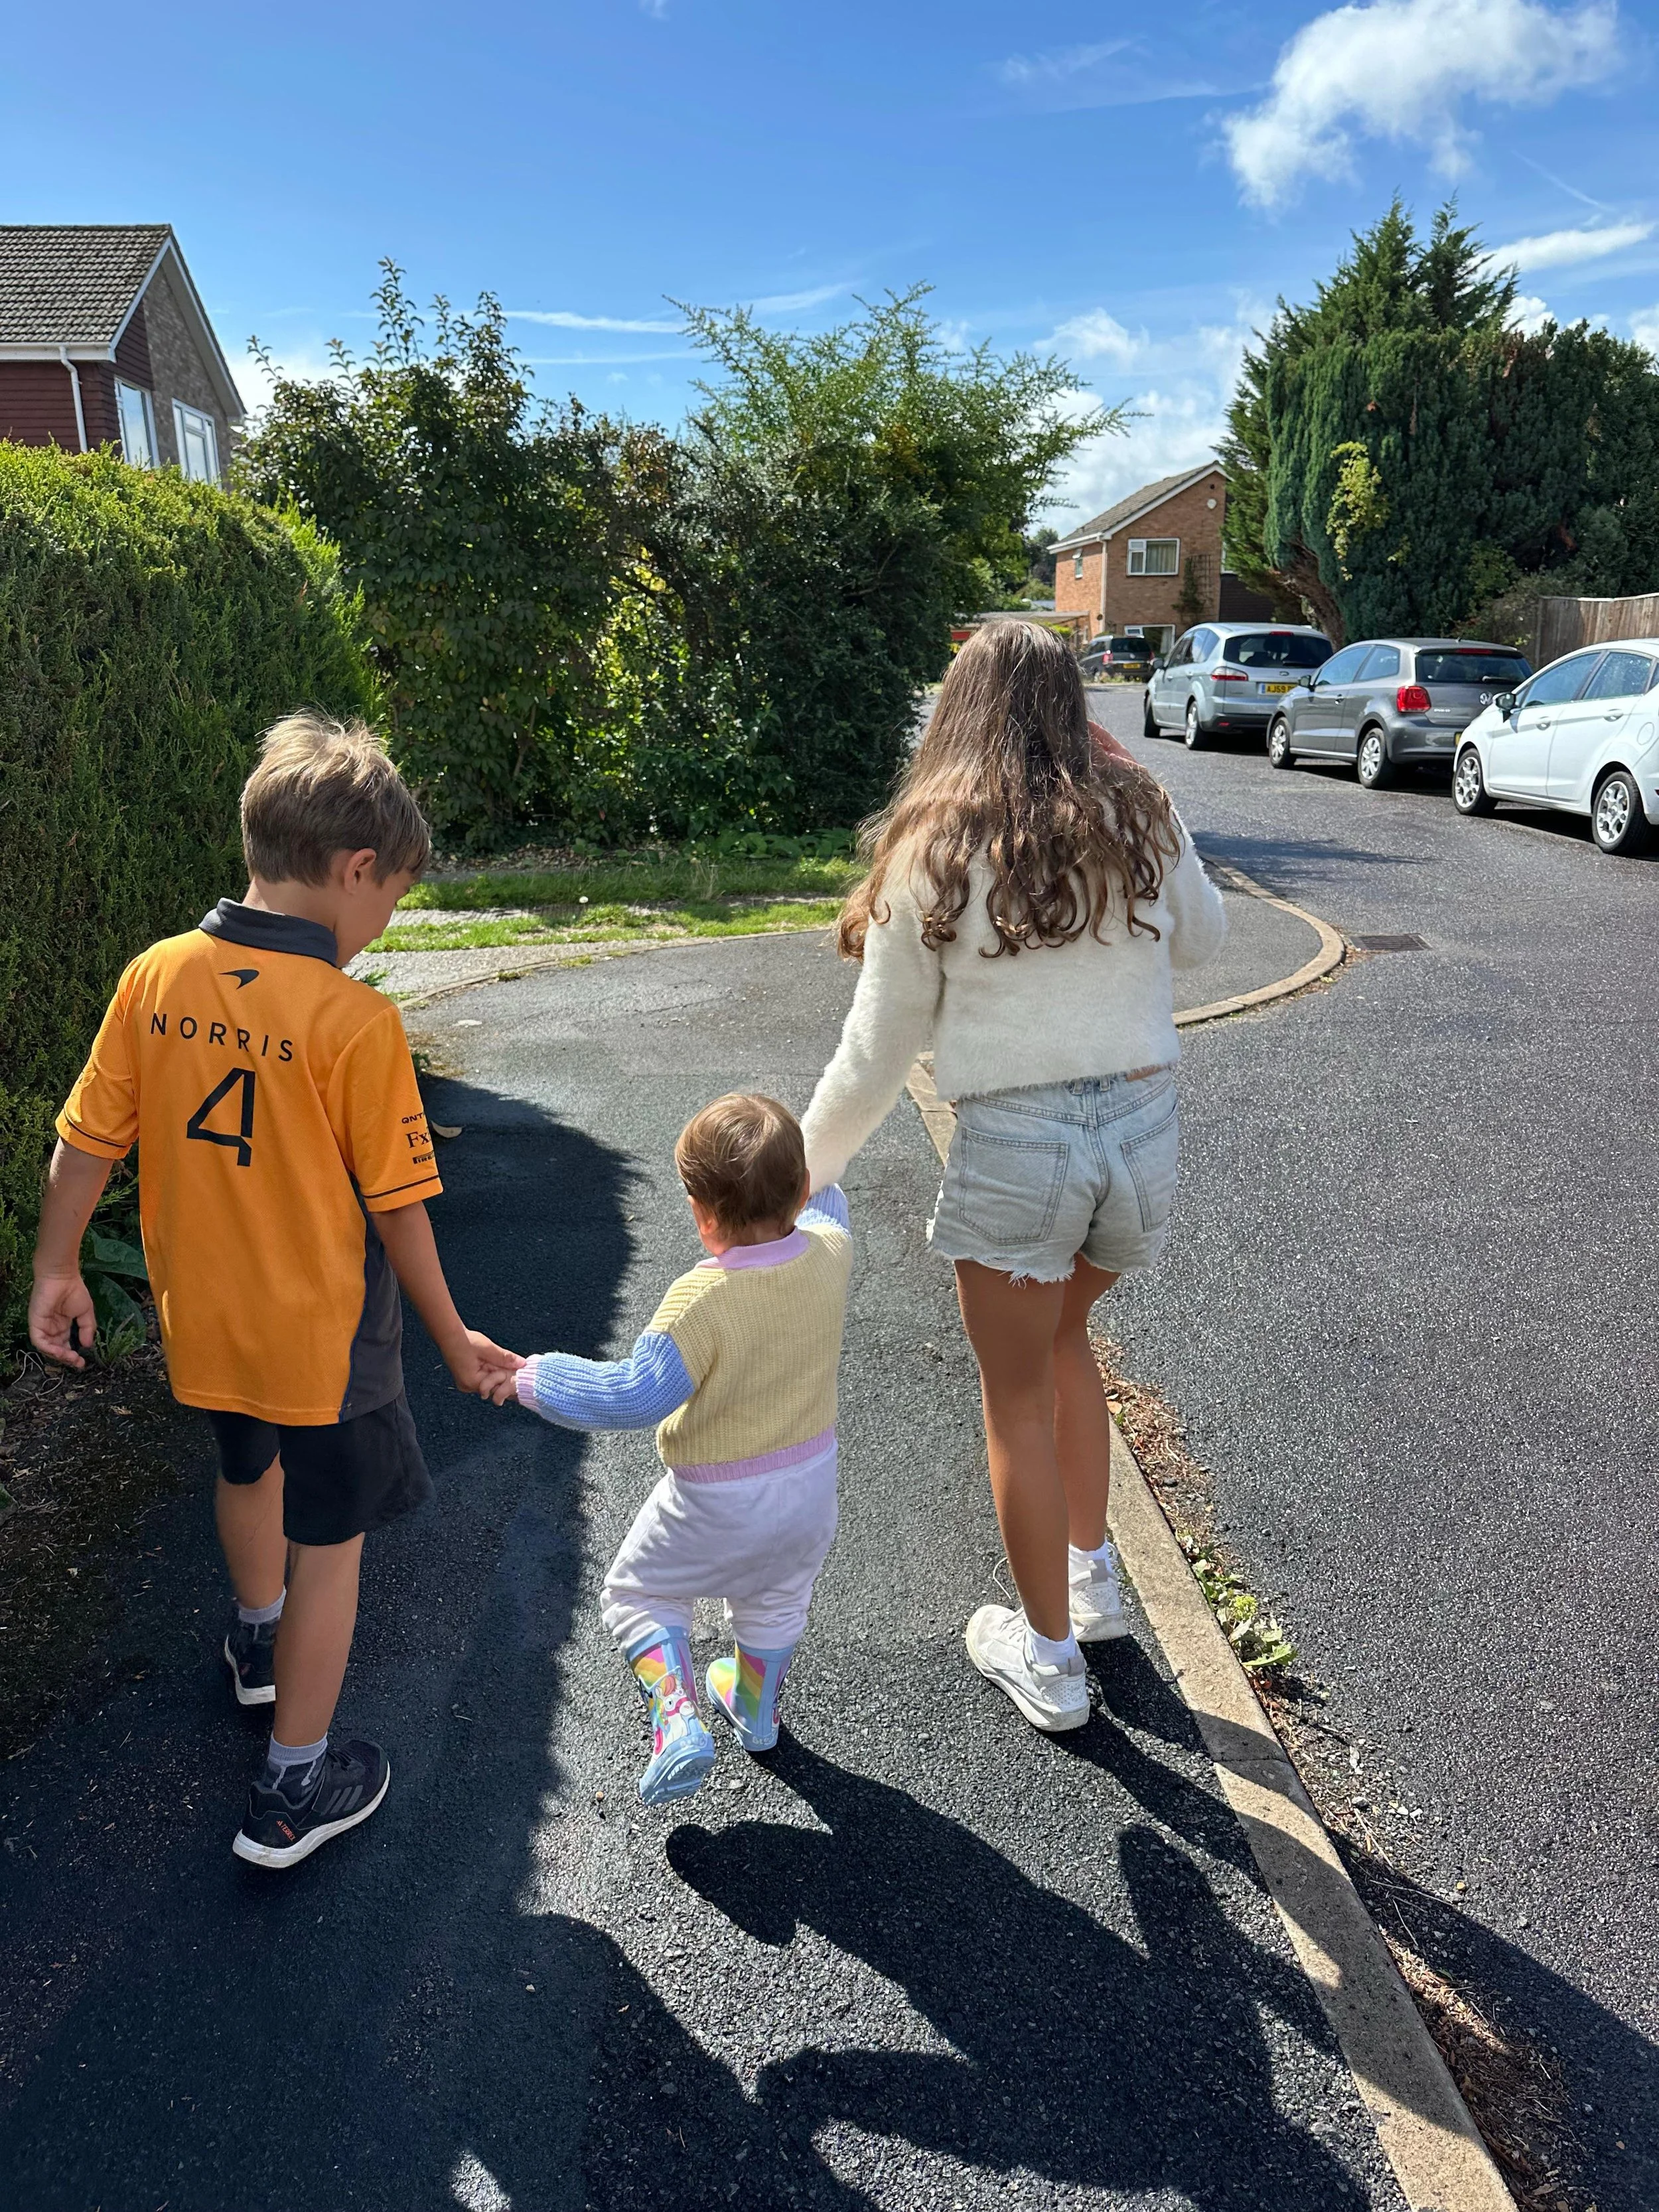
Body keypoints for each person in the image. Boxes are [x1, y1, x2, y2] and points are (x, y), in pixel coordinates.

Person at [29, 712, 522, 1868]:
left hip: (206, 1321)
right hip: (327, 1344)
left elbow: (86, 1139)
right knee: (331, 1546)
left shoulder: (157, 975)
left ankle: (257, 1643)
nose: (385, 920)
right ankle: (294, 1786)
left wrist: (56, 1267)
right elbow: (400, 1207)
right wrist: (454, 1339)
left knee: (245, 1466)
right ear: (357, 868)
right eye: (393, 897)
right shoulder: (354, 1020)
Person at [800, 621, 1226, 1734]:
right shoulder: (1135, 816)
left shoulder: (936, 846)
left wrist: (799, 1175)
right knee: (1063, 1338)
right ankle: (1092, 1583)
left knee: (1016, 1395)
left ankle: (1049, 1662)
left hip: (1022, 1148)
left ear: (959, 712)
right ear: (1075, 711)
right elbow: (1204, 939)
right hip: (1143, 1134)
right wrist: (1144, 785)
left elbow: (875, 1054)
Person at [495, 1094, 852, 1806]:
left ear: (702, 1214)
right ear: (801, 1191)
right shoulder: (832, 1252)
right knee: (776, 1598)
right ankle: (754, 1713)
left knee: (640, 1594)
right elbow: (830, 1200)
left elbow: (633, 1394)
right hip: (811, 1489)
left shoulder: (699, 1300)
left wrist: (531, 1377)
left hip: (716, 1499)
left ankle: (677, 1716)